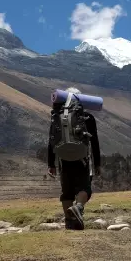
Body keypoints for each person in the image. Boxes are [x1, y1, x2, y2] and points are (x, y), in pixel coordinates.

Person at [47, 88, 101, 230]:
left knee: (67, 192)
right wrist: (97, 164)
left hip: (63, 158)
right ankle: (78, 208)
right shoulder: (87, 117)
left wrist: (51, 164)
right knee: (85, 188)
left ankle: (70, 223)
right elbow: (94, 142)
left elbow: (51, 141)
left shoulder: (57, 116)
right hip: (82, 158)